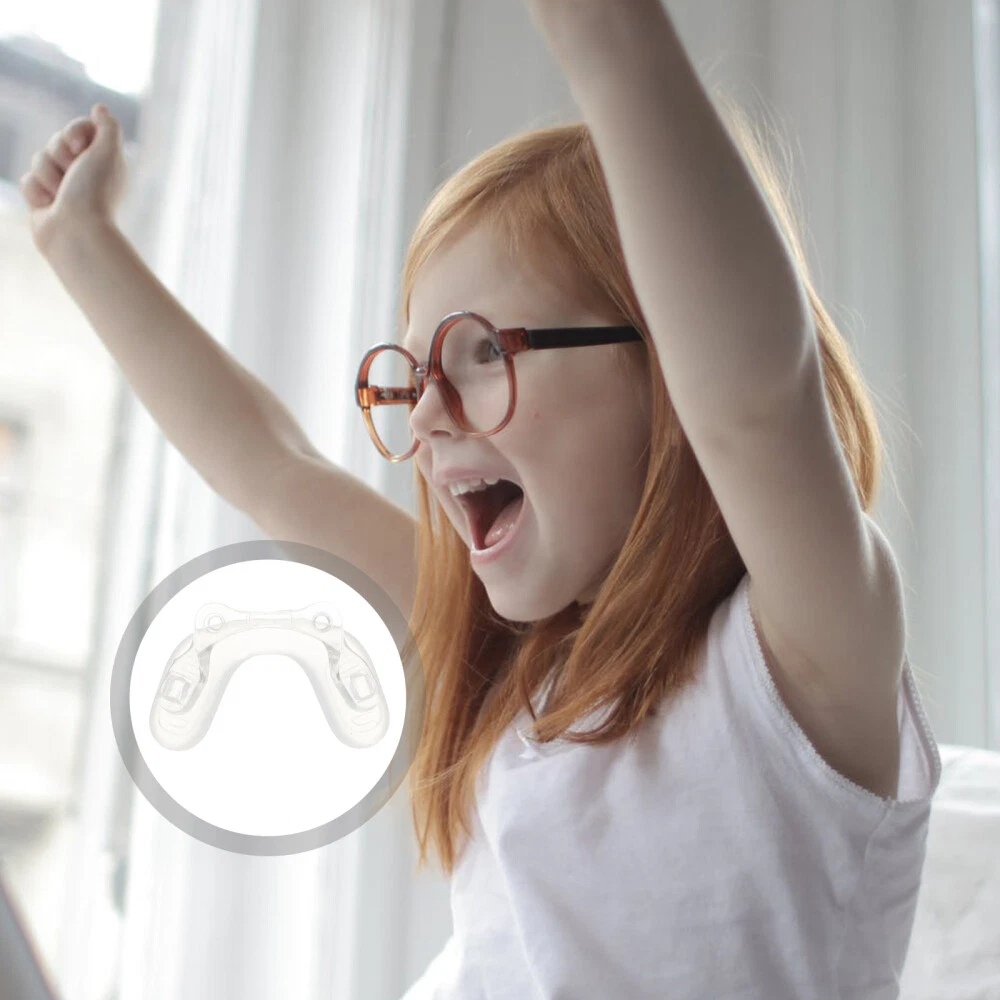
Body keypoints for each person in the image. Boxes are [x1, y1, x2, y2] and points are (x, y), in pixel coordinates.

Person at [19, 3, 941, 997]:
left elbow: (753, 403)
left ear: (668, 369)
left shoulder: (801, 662)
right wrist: (81, 246)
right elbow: (272, 466)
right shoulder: (508, 683)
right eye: (414, 375)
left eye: (481, 353)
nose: (425, 417)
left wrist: (608, 32)